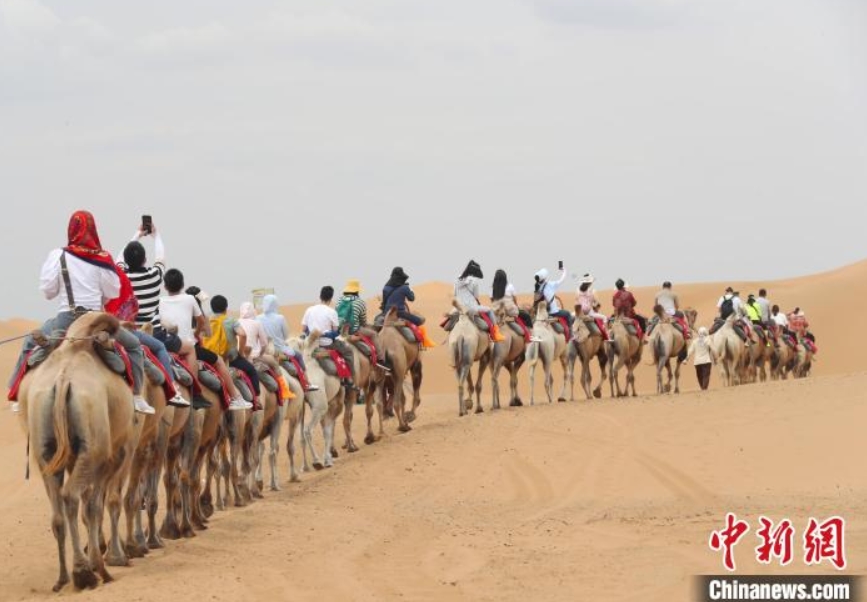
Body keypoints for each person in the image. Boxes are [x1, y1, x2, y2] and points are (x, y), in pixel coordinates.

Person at [8, 210, 154, 415]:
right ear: (94, 230)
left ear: (71, 230)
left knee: (29, 344)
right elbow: (113, 291)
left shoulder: (57, 255)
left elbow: (47, 292)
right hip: (96, 321)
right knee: (134, 346)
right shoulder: (103, 258)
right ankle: (137, 396)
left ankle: (15, 394)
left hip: (64, 319)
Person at [117, 220, 193, 408]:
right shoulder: (155, 276)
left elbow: (120, 257)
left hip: (122, 331)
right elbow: (160, 256)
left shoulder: (122, 276)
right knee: (161, 347)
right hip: (147, 333)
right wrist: (156, 235)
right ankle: (172, 389)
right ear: (144, 260)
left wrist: (137, 235)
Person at [159, 271, 251, 411]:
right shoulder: (190, 299)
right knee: (219, 361)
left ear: (165, 286)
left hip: (167, 344)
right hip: (188, 346)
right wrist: (196, 334)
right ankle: (235, 397)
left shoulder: (160, 301)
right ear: (182, 284)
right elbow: (203, 324)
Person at [201, 296, 262, 410]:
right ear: (226, 307)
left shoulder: (207, 321)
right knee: (252, 370)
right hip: (230, 359)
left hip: (209, 358)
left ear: (212, 308)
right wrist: (241, 352)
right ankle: (257, 400)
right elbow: (242, 334)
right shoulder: (231, 321)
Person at [256, 293, 318, 392]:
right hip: (280, 349)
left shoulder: (257, 318)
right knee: (298, 355)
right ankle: (306, 382)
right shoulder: (280, 318)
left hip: (263, 351)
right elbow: (286, 335)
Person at [302, 286, 355, 389]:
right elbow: (335, 332)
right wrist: (325, 334)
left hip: (310, 343)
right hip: (326, 343)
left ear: (320, 296)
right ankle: (349, 378)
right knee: (348, 351)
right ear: (331, 299)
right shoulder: (332, 312)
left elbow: (304, 328)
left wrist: (313, 333)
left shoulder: (309, 309)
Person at [336, 280, 390, 371]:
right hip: (354, 330)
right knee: (373, 334)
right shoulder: (360, 302)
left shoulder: (339, 300)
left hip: (339, 330)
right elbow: (363, 321)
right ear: (357, 291)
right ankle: (381, 360)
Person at [381, 267, 436, 348]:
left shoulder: (386, 287)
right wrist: (410, 289)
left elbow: (384, 301)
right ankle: (420, 344)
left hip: (386, 314)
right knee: (419, 321)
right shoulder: (404, 288)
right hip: (400, 313)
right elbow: (412, 298)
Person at [453, 260, 505, 342]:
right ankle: (496, 333)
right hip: (471, 308)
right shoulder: (474, 281)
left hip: (458, 308)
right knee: (490, 310)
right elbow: (476, 296)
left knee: (450, 322)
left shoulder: (458, 278)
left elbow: (455, 293)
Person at [491, 269, 537, 343]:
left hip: (497, 312)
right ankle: (531, 335)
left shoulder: (492, 288)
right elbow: (514, 299)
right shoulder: (510, 286)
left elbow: (492, 301)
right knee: (526, 316)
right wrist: (516, 306)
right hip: (510, 311)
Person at [534, 263, 573, 331]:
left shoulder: (537, 287)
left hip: (542, 312)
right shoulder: (550, 285)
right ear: (545, 278)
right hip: (553, 312)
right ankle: (571, 333)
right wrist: (564, 270)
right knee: (568, 314)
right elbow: (562, 280)